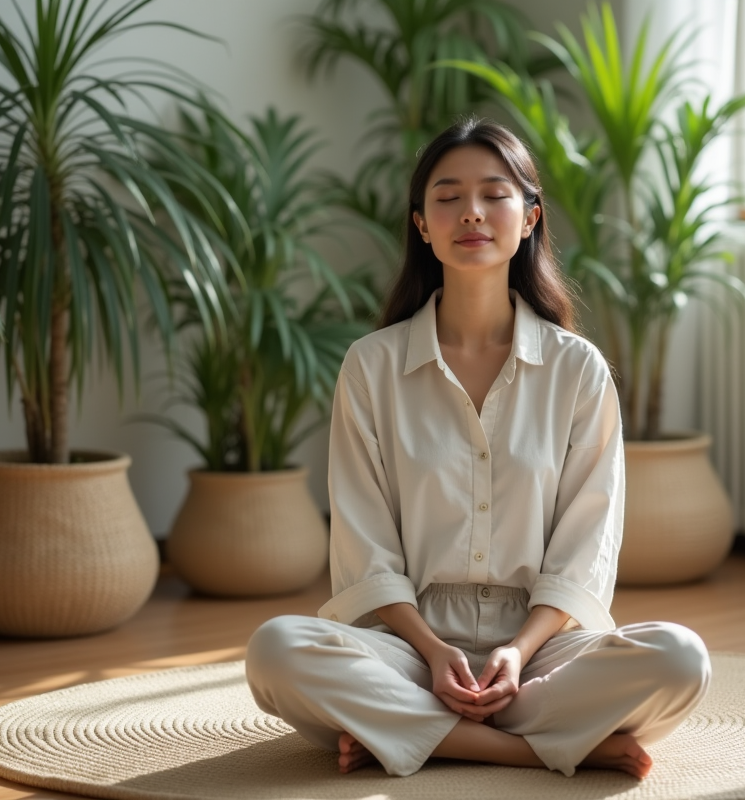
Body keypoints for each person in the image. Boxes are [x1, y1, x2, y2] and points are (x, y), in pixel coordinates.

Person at [245, 118, 710, 779]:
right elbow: (365, 544)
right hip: (409, 645)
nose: (472, 212)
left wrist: (517, 654)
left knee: (680, 659)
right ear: (421, 224)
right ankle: (535, 747)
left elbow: (586, 546)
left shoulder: (577, 369)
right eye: (447, 196)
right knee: (276, 651)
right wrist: (433, 654)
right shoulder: (371, 366)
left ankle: (403, 731)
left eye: (495, 194)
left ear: (529, 218)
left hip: (543, 649)